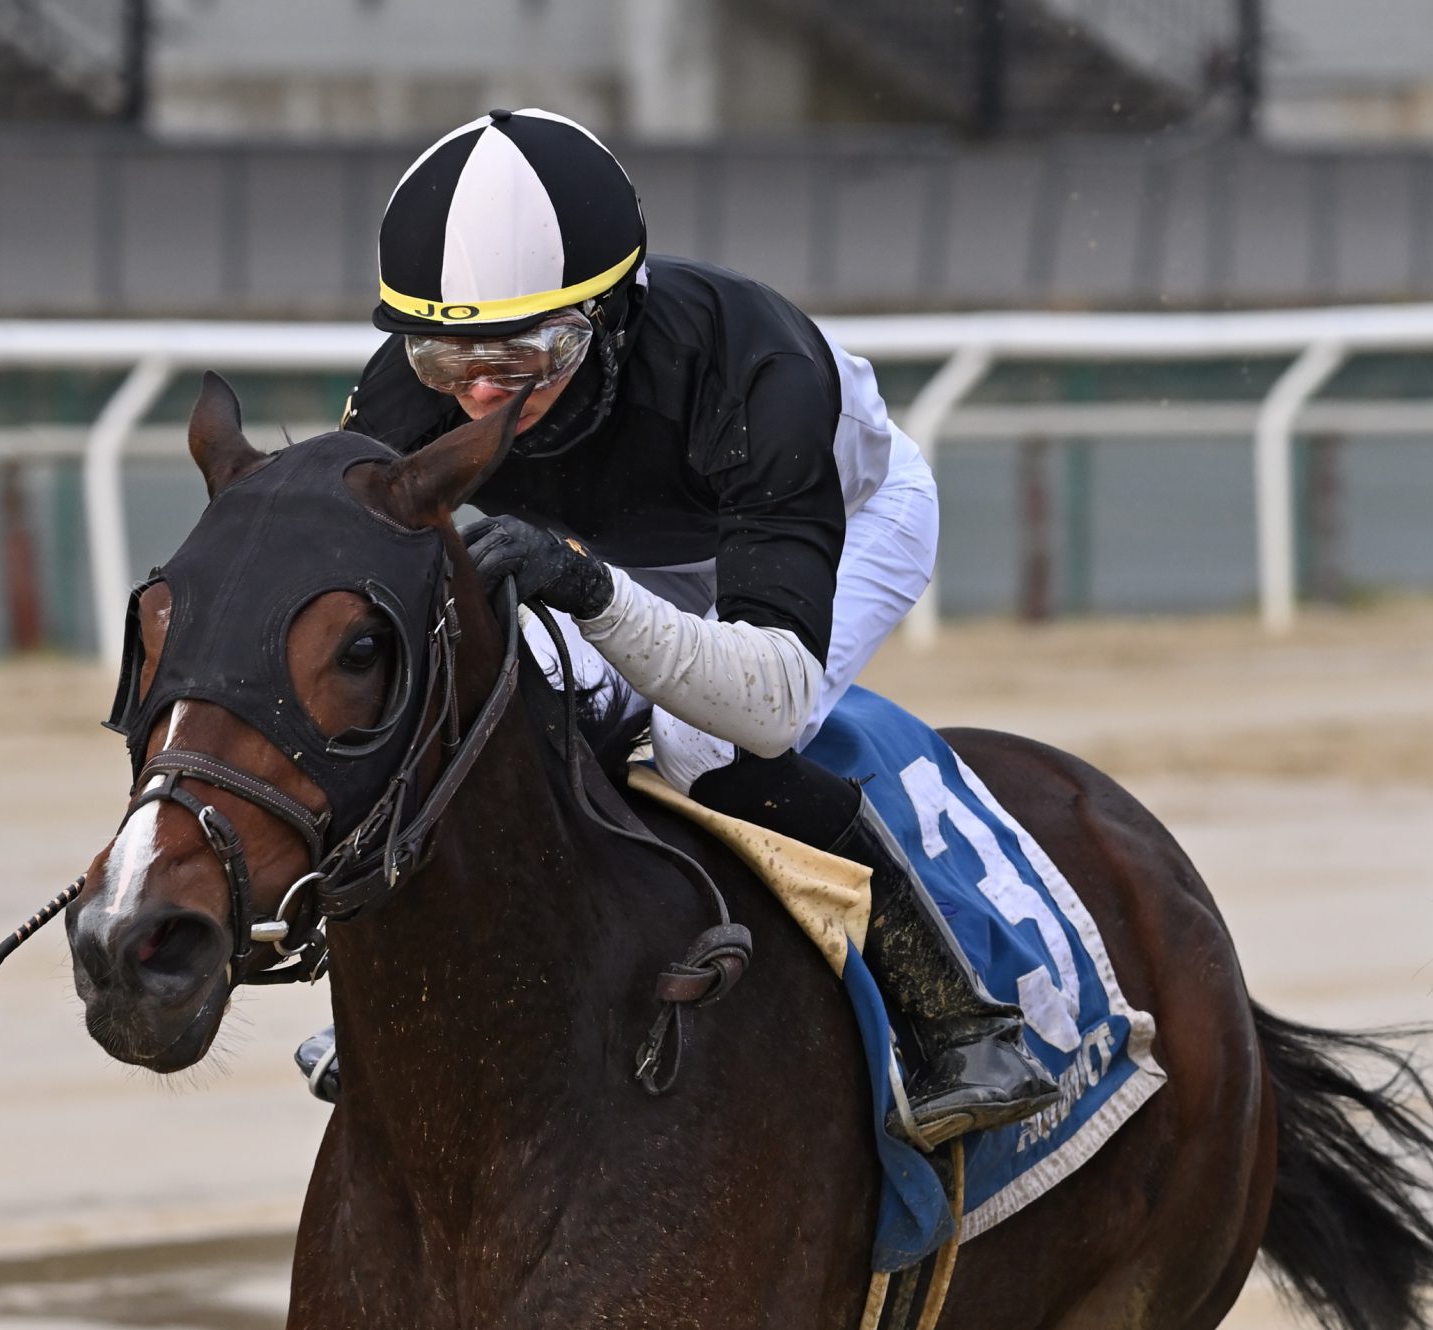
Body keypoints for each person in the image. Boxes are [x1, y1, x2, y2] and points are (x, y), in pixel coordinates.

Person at [297, 107, 1058, 1148]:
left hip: (849, 521)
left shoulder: (759, 368)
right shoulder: (410, 388)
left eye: (524, 352)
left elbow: (771, 698)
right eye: (446, 359)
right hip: (616, 545)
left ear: (610, 317)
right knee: (476, 693)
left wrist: (589, 588)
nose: (479, 392)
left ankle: (951, 1011)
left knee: (706, 741)